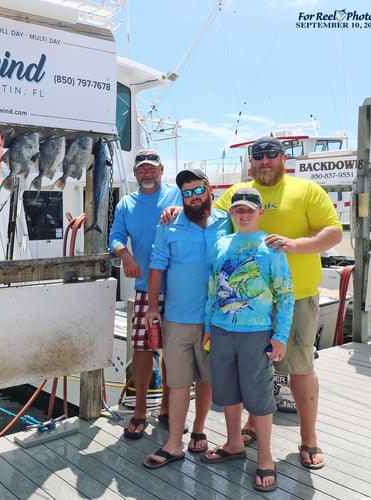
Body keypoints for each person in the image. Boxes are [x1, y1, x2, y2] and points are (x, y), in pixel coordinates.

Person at [212, 136, 343, 470]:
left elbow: (334, 232)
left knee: (299, 367)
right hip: (248, 306)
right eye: (258, 155)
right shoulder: (236, 192)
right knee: (253, 369)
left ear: (284, 158)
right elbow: (209, 219)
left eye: (272, 154)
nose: (265, 160)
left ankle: (309, 437)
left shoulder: (307, 189)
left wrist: (296, 245)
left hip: (295, 295)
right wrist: (175, 210)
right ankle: (252, 425)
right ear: (251, 162)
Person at [201, 186, 294, 492]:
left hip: (256, 333)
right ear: (231, 213)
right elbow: (213, 288)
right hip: (222, 329)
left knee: (259, 395)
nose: (243, 214)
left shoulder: (271, 246)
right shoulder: (220, 243)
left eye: (249, 210)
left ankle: (265, 459)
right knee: (227, 392)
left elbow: (286, 294)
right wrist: (207, 326)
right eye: (237, 209)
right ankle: (232, 443)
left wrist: (280, 336)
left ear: (259, 213)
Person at [142, 169, 232, 468]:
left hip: (217, 320)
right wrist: (153, 308)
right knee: (178, 380)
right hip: (178, 318)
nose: (193, 197)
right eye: (187, 192)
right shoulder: (168, 225)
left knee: (207, 379)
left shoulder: (227, 222)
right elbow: (156, 268)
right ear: (181, 196)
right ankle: (173, 444)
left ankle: (199, 429)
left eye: (198, 190)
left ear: (209, 190)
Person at [109, 149, 181, 440]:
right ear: (135, 172)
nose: (147, 173)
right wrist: (124, 255)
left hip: (178, 288)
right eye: (142, 169)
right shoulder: (126, 203)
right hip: (143, 290)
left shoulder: (178, 195)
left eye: (152, 168)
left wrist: (180, 211)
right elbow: (114, 236)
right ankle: (140, 410)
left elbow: (204, 216)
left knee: (173, 352)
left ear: (162, 169)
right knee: (142, 349)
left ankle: (166, 408)